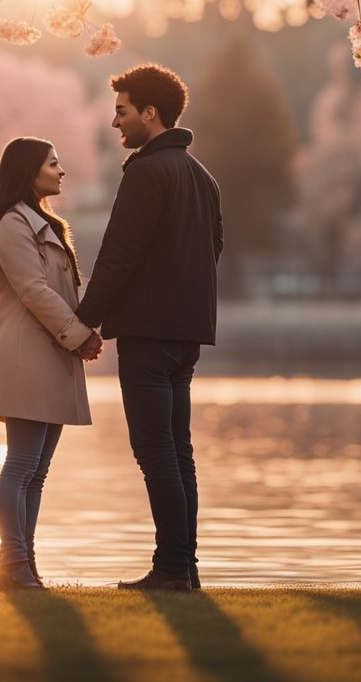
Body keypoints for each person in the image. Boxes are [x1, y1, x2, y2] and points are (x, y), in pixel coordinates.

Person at [75, 64, 223, 592]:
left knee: (156, 451)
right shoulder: (203, 178)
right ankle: (185, 569)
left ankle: (170, 569)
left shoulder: (145, 172)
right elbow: (215, 251)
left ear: (149, 113)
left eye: (122, 111)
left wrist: (79, 324)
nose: (116, 123)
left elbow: (117, 258)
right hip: (186, 336)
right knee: (178, 451)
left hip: (149, 334)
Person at [0, 137, 103, 591]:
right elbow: (33, 291)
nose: (61, 170)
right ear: (29, 171)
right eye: (53, 163)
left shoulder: (42, 223)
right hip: (26, 357)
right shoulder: (14, 223)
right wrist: (78, 335)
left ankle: (23, 567)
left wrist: (80, 335)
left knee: (36, 470)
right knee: (21, 465)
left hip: (49, 355)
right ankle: (13, 565)